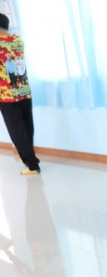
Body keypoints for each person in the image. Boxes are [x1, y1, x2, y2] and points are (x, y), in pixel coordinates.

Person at [0, 13, 39, 176]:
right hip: (23, 89)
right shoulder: (17, 40)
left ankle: (32, 164)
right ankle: (29, 158)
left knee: (16, 130)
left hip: (7, 94)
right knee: (27, 126)